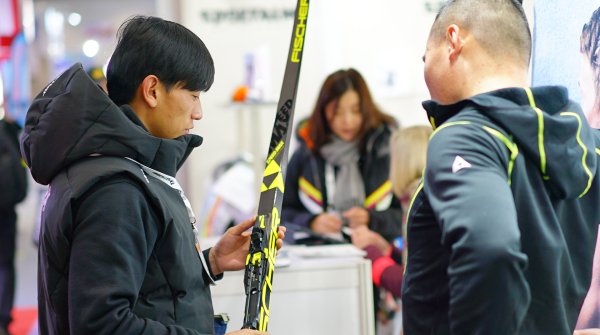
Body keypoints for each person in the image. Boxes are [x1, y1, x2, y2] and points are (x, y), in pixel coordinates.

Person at [20, 16, 284, 335]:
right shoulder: (114, 189)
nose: (198, 112)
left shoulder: (121, 169)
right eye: (194, 95)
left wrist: (210, 262)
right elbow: (103, 325)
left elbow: (144, 285)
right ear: (153, 90)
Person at [402, 1, 600, 334]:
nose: (425, 70)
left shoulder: (465, 136)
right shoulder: (582, 143)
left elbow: (490, 252)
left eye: (425, 56)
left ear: (453, 41)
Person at [282, 68, 402, 244]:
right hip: (321, 255)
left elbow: (408, 214)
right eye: (337, 111)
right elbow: (281, 213)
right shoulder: (306, 152)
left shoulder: (387, 151)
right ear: (323, 111)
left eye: (355, 110)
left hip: (377, 256)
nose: (347, 120)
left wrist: (371, 219)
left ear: (367, 109)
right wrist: (312, 222)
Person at [351, 125, 432, 298]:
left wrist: (371, 255)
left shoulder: (421, 204)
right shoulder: (424, 197)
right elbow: (417, 264)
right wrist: (386, 249)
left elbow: (414, 285)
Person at [0, 116, 28, 335]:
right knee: (5, 265)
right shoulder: (7, 130)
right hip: (5, 212)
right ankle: (3, 319)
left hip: (6, 211)